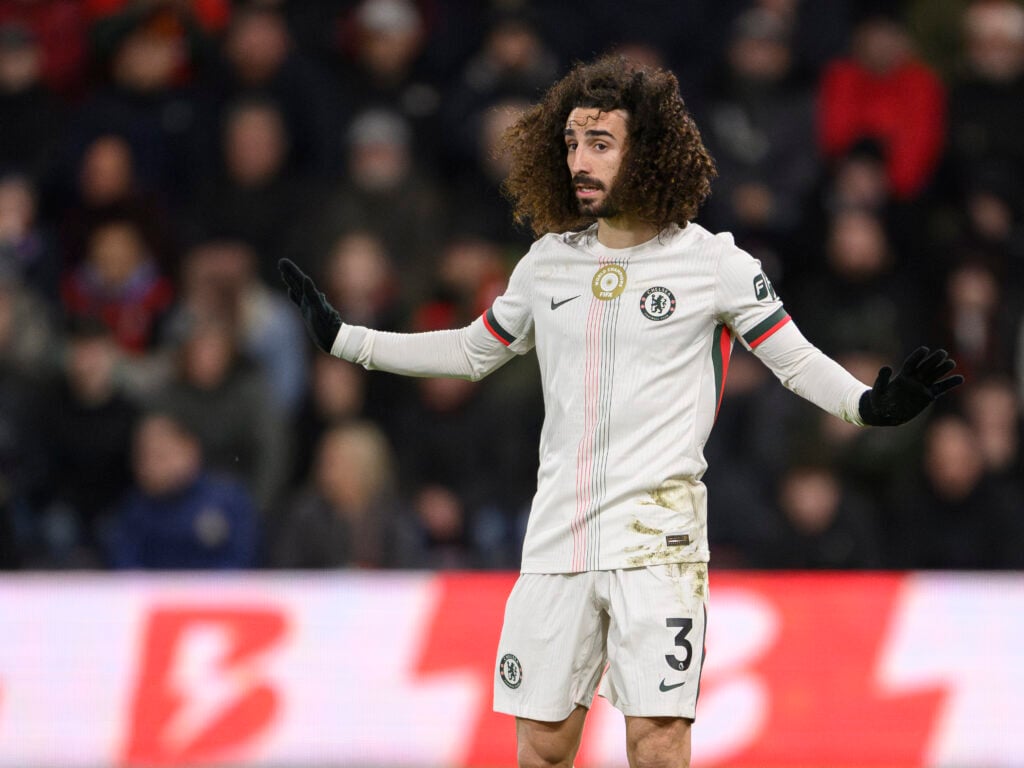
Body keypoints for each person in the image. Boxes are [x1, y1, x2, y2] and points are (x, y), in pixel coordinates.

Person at [279, 56, 962, 768]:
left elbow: (792, 359)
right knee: (543, 745)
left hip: (659, 543)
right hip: (557, 538)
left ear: (649, 149)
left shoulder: (715, 264)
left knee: (657, 740)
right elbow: (472, 350)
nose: (579, 158)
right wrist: (346, 339)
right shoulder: (547, 263)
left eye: (599, 142)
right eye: (571, 142)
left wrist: (867, 406)